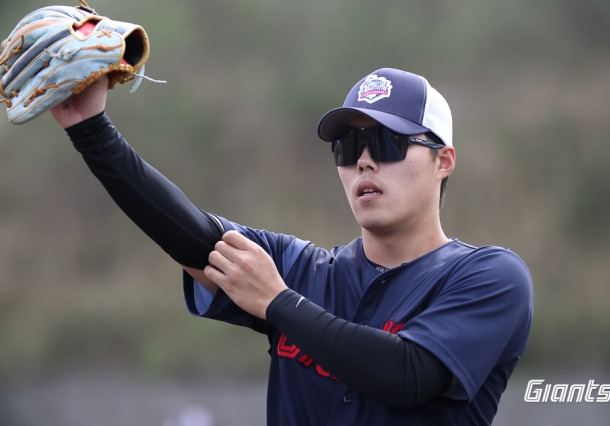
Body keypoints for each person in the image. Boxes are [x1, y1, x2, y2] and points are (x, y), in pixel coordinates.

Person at [51, 67, 533, 425]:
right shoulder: (299, 268)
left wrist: (278, 303)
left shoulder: (490, 276)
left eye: (385, 143)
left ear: (443, 160)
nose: (364, 162)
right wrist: (90, 129)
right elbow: (186, 231)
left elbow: (408, 375)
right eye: (348, 147)